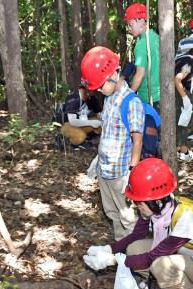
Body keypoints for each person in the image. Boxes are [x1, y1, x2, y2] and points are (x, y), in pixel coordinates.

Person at [83, 158, 193, 289]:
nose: (135, 206)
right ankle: (158, 283)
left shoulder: (184, 218)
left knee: (160, 265)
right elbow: (135, 236)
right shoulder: (154, 210)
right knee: (134, 248)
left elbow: (153, 257)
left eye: (139, 202)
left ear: (156, 201)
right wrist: (108, 249)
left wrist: (112, 260)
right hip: (173, 257)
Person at [80, 46, 145, 241]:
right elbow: (108, 133)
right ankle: (122, 249)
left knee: (128, 217)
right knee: (112, 213)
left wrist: (131, 172)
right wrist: (97, 162)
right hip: (105, 171)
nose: (99, 90)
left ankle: (136, 259)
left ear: (114, 75)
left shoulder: (131, 102)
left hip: (120, 174)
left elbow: (137, 140)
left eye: (101, 85)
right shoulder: (108, 100)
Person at [124, 3, 160, 110]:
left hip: (149, 97)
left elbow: (140, 74)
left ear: (140, 21)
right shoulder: (155, 36)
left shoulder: (141, 45)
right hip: (162, 94)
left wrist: (129, 95)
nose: (129, 28)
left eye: (130, 24)